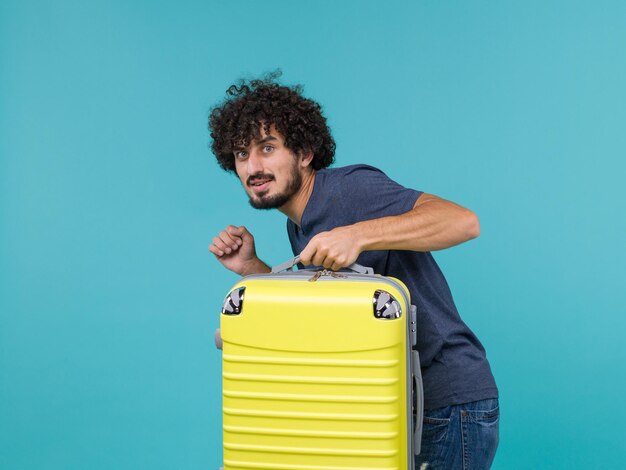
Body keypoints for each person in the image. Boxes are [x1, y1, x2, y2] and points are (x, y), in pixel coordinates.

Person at [208, 74, 499, 469]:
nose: (253, 166)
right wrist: (253, 271)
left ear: (305, 152)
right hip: (391, 401)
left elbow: (463, 221)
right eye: (242, 155)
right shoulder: (297, 224)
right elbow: (326, 319)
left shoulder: (347, 190)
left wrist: (357, 235)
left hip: (445, 405)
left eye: (267, 148)